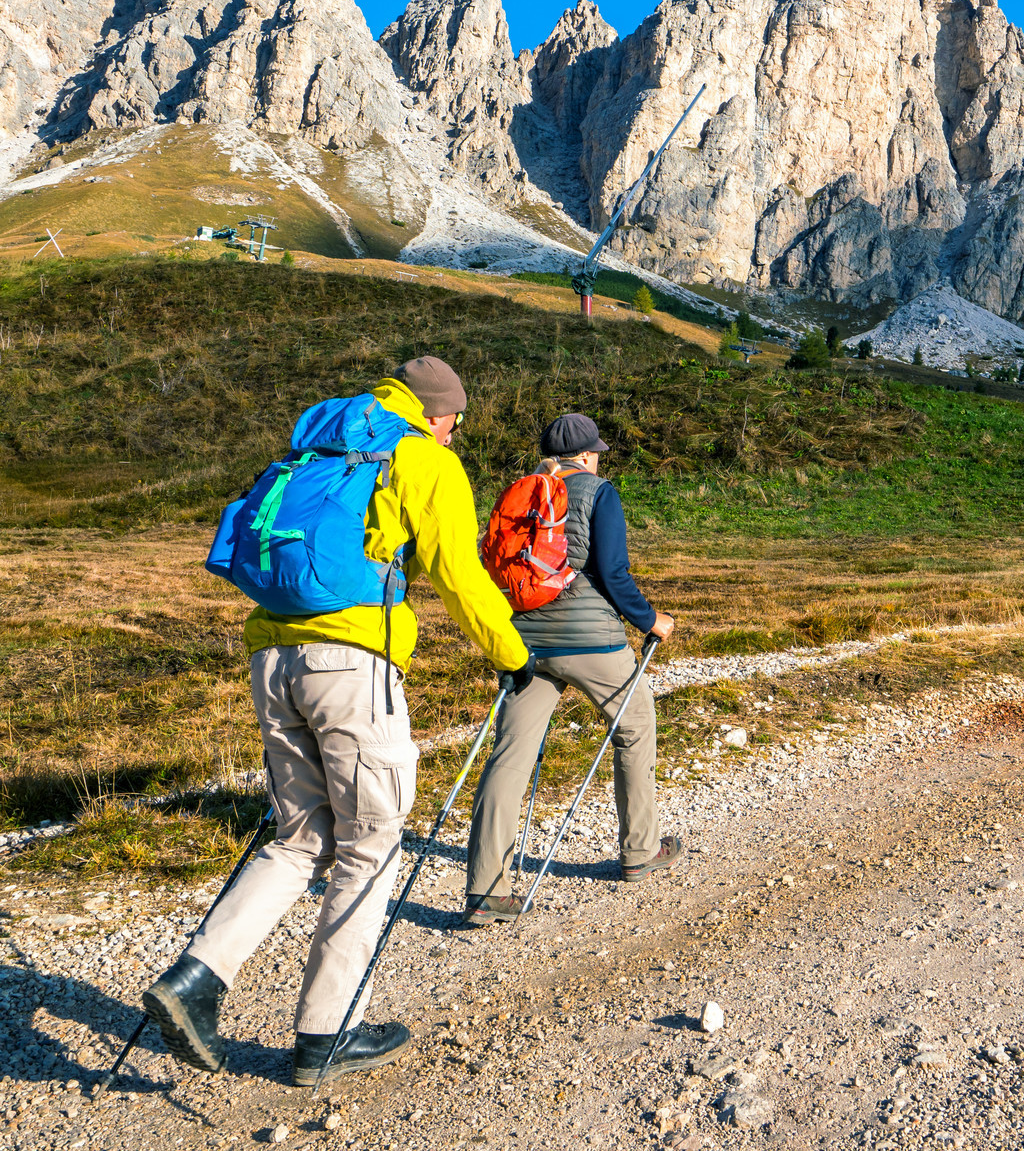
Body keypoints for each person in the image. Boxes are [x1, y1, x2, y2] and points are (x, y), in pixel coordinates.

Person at [141, 356, 532, 1086]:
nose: (452, 433)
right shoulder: (425, 460)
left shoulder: (320, 444)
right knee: (371, 837)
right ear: (441, 415)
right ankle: (328, 1030)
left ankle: (196, 980)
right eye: (455, 422)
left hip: (274, 656)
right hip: (352, 665)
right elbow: (458, 572)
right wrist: (514, 655)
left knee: (300, 836)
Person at [465, 412, 678, 925]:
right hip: (589, 640)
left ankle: (485, 889)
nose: (599, 458)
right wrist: (651, 620)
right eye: (596, 452)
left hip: (524, 639)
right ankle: (640, 851)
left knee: (510, 752)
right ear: (585, 456)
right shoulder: (599, 492)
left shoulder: (524, 490)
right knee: (635, 725)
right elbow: (612, 571)